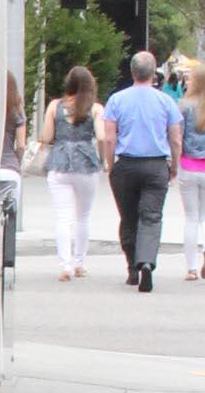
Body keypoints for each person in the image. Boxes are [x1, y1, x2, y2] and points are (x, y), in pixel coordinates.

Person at [103, 49, 181, 293]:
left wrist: (110, 164)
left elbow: (109, 138)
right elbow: (175, 139)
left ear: (132, 71)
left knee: (128, 217)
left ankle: (132, 268)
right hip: (156, 166)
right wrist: (174, 166)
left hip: (126, 165)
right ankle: (146, 261)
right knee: (151, 216)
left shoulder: (116, 100)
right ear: (154, 73)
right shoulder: (166, 101)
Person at [40, 63, 107, 281]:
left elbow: (46, 137)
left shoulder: (55, 106)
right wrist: (102, 159)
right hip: (86, 165)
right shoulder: (95, 109)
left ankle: (65, 266)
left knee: (62, 217)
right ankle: (79, 263)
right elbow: (102, 137)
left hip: (59, 163)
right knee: (83, 216)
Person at [178, 64, 205, 281]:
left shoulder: (184, 106)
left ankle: (191, 268)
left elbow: (178, 137)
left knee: (191, 218)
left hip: (188, 166)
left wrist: (173, 162)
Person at [0, 72, 27, 216]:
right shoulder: (17, 113)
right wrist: (17, 162)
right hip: (10, 169)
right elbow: (21, 146)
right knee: (11, 215)